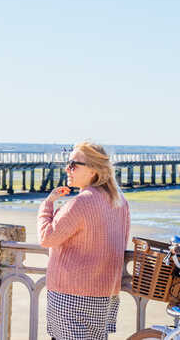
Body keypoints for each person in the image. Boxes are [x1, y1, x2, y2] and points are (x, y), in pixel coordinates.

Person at [38, 141, 131, 340]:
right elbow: (122, 242)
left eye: (73, 164)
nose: (67, 169)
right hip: (105, 295)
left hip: (70, 296)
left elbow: (46, 237)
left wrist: (48, 204)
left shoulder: (81, 202)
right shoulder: (120, 201)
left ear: (93, 171)